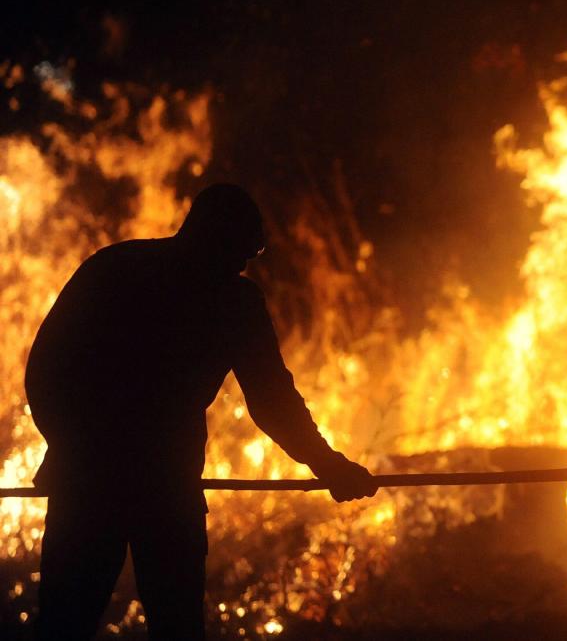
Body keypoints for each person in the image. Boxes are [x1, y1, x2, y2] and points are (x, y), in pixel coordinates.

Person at [25, 183, 378, 639]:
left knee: (71, 626)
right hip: (148, 484)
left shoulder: (115, 268)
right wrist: (328, 464)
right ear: (214, 239)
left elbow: (45, 373)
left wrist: (72, 447)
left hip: (98, 480)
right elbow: (272, 402)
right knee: (161, 628)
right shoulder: (227, 301)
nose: (246, 263)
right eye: (243, 250)